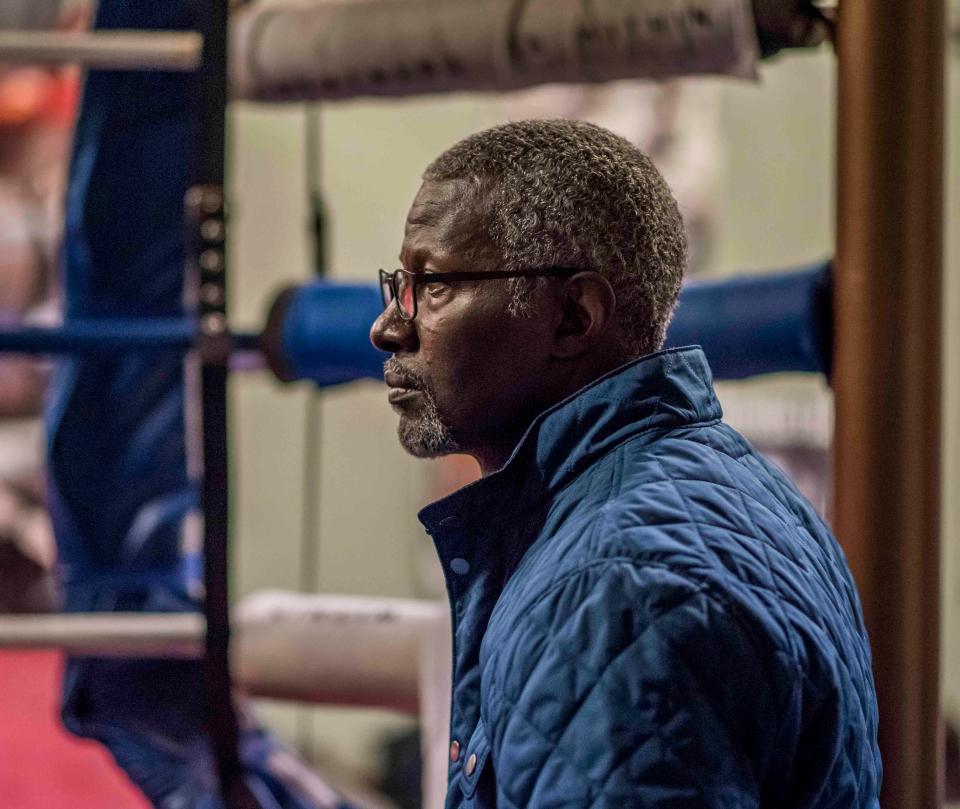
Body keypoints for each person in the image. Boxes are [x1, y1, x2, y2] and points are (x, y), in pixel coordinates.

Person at [369, 119, 880, 809]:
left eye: (431, 285)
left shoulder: (607, 592)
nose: (389, 327)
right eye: (398, 284)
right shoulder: (749, 493)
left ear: (573, 318)